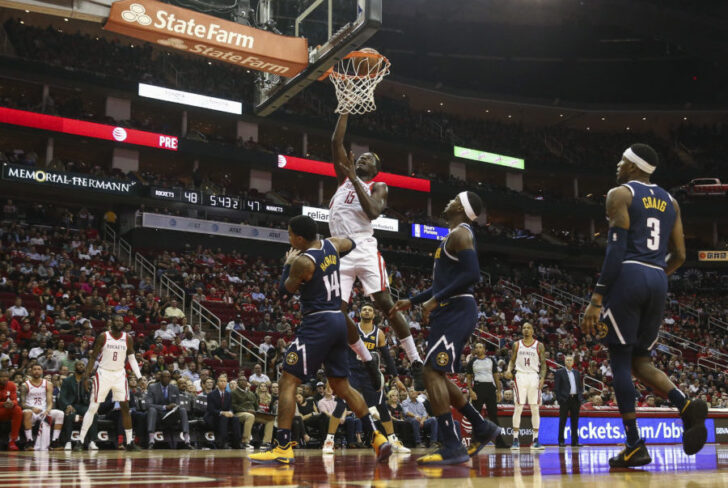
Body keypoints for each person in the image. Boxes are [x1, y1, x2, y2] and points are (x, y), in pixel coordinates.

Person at [581, 143, 707, 467]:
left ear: (635, 166)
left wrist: (596, 299)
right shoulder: (672, 202)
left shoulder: (620, 194)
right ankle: (685, 404)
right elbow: (679, 255)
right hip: (658, 279)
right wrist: (654, 276)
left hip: (629, 275)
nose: (618, 165)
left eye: (623, 160)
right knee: (641, 361)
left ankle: (634, 443)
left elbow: (614, 252)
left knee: (620, 361)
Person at [250, 215, 392, 464]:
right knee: (342, 386)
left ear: (300, 238)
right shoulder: (332, 245)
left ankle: (282, 447)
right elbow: (351, 243)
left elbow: (285, 290)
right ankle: (377, 437)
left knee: (287, 381)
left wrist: (287, 264)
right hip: (339, 319)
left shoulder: (302, 261)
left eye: (290, 234)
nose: (289, 238)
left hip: (318, 323)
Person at [391, 192, 499, 464]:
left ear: (461, 208)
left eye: (453, 199)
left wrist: (435, 300)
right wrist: (414, 300)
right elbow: (444, 281)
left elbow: (472, 275)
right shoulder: (452, 236)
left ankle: (451, 444)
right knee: (437, 374)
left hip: (457, 309)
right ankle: (481, 426)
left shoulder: (462, 234)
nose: (448, 201)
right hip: (448, 309)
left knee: (430, 372)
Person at [330, 114, 424, 390]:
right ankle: (367, 359)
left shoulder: (377, 186)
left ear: (376, 169)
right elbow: (336, 140)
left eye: (368, 159)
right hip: (339, 249)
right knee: (337, 312)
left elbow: (372, 212)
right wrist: (345, 110)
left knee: (385, 302)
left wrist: (353, 178)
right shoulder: (343, 179)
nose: (361, 159)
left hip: (364, 246)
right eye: (360, 157)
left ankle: (415, 361)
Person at [322, 304, 409, 455]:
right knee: (341, 405)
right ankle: (329, 441)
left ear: (374, 315)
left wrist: (396, 377)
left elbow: (387, 357)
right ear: (360, 313)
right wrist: (332, 376)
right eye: (364, 309)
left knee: (381, 407)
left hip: (371, 375)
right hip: (352, 373)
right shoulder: (352, 329)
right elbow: (338, 351)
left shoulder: (379, 334)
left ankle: (393, 440)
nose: (367, 311)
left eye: (370, 310)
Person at [79, 314, 143, 451]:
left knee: (125, 407)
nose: (119, 322)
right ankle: (80, 441)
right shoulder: (103, 336)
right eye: (117, 320)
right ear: (111, 322)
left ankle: (130, 442)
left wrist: (139, 376)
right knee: (93, 407)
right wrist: (86, 376)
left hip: (120, 375)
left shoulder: (128, 338)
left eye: (121, 320)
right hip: (103, 373)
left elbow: (132, 358)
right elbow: (93, 357)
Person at [504, 322, 546, 451]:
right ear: (522, 330)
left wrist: (542, 377)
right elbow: (512, 360)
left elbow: (543, 364)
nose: (526, 330)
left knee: (535, 408)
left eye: (528, 328)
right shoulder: (517, 344)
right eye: (524, 328)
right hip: (520, 376)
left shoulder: (539, 345)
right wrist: (508, 370)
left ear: (533, 330)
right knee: (518, 407)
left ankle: (535, 441)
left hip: (534, 376)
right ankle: (515, 440)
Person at [466, 342, 507, 448]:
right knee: (476, 416)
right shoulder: (472, 362)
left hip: (490, 388)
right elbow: (469, 378)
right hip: (478, 388)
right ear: (475, 350)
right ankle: (474, 442)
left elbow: (496, 377)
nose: (479, 349)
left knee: (494, 416)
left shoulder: (491, 360)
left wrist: (498, 391)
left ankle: (500, 442)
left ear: (484, 349)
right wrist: (471, 391)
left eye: (481, 347)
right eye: (477, 347)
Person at [20, 364, 64, 450]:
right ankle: (29, 442)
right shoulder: (25, 385)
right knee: (27, 412)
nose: (37, 371)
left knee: (60, 414)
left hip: (44, 411)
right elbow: (23, 404)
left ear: (42, 371)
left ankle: (55, 441)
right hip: (31, 411)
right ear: (31, 371)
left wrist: (47, 410)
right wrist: (32, 408)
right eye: (34, 369)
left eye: (39, 369)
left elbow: (50, 402)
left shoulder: (48, 384)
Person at [146, 370, 193, 449]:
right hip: (158, 415)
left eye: (168, 377)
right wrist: (165, 407)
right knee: (152, 410)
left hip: (170, 415)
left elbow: (178, 403)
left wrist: (174, 406)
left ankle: (187, 440)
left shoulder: (174, 388)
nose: (167, 379)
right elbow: (149, 404)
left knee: (182, 410)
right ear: (161, 378)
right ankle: (151, 440)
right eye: (165, 377)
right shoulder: (152, 387)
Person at [57, 361, 96, 451]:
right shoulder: (67, 380)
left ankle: (92, 441)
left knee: (93, 414)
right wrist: (67, 405)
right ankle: (68, 442)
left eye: (83, 365)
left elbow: (91, 396)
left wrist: (93, 407)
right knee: (69, 415)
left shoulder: (87, 381)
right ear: (75, 367)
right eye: (79, 365)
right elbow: (62, 396)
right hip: (72, 405)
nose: (81, 367)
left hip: (83, 405)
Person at [205, 374, 242, 449]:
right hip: (213, 416)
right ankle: (222, 442)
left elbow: (230, 407)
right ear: (217, 383)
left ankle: (236, 442)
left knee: (235, 418)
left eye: (224, 381)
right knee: (224, 417)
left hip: (225, 416)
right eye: (221, 381)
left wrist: (231, 412)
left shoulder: (228, 394)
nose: (223, 383)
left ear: (226, 383)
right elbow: (211, 409)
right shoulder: (211, 394)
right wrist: (223, 412)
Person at [554, 355, 583, 447]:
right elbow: (556, 388)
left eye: (571, 360)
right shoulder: (559, 372)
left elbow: (580, 387)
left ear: (573, 362)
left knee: (575, 421)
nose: (569, 361)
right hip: (565, 400)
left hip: (575, 399)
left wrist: (580, 398)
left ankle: (575, 441)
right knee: (563, 421)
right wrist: (560, 399)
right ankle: (561, 441)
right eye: (567, 360)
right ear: (565, 361)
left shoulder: (577, 373)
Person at [0, 369, 22, 451]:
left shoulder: (11, 385)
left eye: (6, 377)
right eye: (2, 377)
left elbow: (15, 399)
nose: (4, 378)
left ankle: (12, 440)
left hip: (5, 410)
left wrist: (12, 403)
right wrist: (3, 404)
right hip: (2, 408)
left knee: (18, 409)